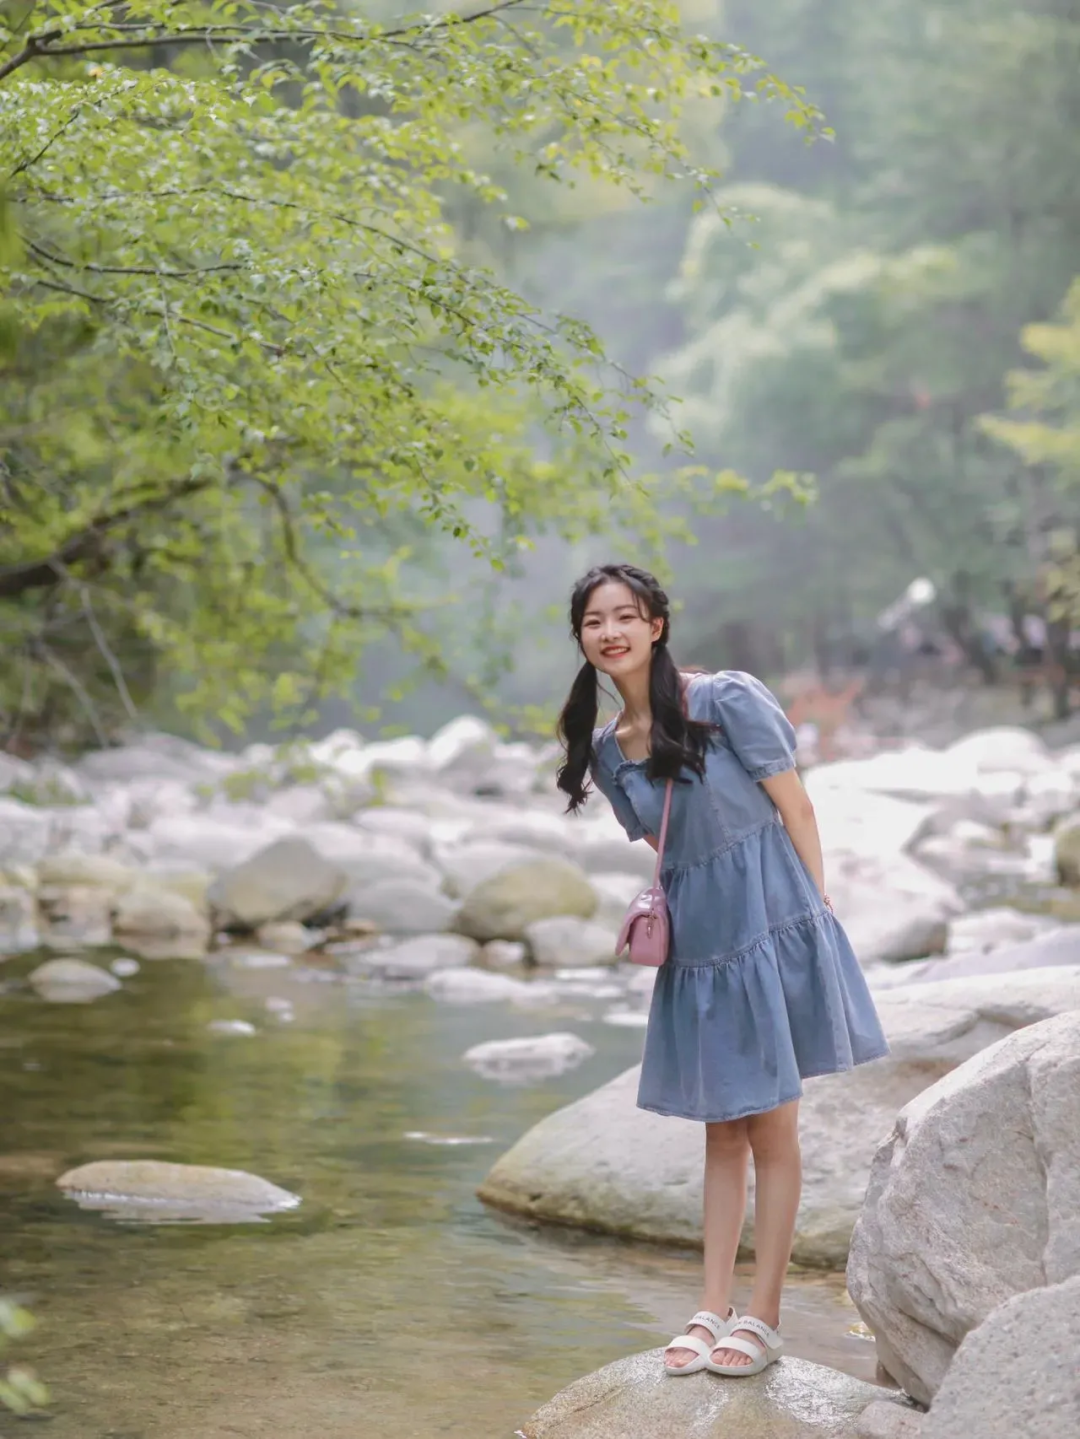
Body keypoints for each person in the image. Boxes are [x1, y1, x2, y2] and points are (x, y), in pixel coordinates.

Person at [555, 563, 889, 1379]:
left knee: (773, 1127)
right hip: (703, 948)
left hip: (773, 921)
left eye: (626, 617)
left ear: (657, 625)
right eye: (596, 622)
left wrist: (810, 918)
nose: (612, 633)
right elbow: (672, 847)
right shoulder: (605, 751)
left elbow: (794, 805)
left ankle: (764, 1316)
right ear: (583, 638)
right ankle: (711, 1306)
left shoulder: (725, 698)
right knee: (721, 1130)